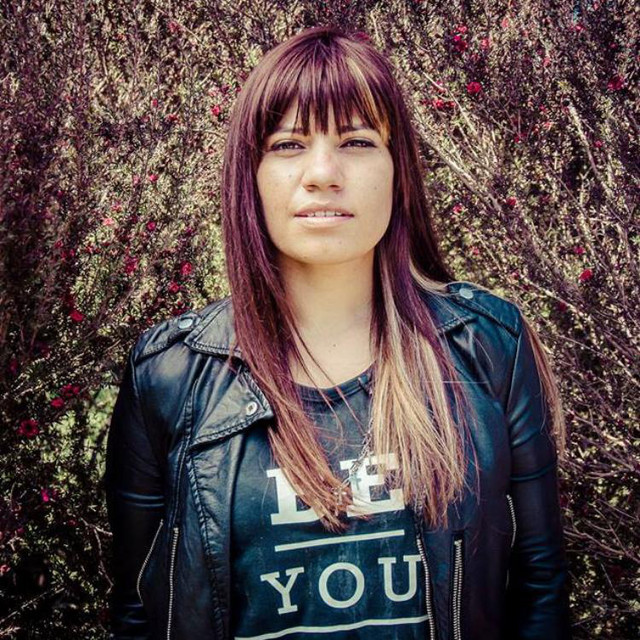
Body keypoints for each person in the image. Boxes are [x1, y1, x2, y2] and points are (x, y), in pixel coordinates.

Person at [104, 26, 573, 640]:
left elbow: (539, 587)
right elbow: (140, 609)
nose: (323, 173)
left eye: (356, 141)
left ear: (398, 169)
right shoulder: (169, 374)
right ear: (250, 176)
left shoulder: (489, 346)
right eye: (288, 144)